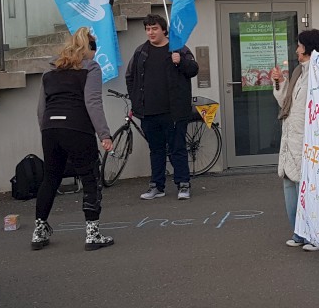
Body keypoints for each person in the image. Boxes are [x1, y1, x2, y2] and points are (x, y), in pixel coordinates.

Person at [31, 27, 114, 251]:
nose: (94, 56)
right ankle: (93, 234)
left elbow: (40, 108)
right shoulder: (91, 68)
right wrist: (104, 134)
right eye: (94, 51)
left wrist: (47, 131)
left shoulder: (50, 70)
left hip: (50, 128)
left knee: (50, 178)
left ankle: (39, 231)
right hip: (77, 127)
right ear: (89, 49)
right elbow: (92, 102)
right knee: (89, 178)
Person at [126, 14, 198, 201]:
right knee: (156, 150)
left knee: (177, 148)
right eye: (148, 29)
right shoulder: (141, 51)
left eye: (154, 28)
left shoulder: (179, 49)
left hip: (174, 111)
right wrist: (135, 101)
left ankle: (183, 184)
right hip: (148, 112)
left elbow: (193, 69)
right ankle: (157, 186)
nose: (150, 32)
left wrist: (180, 61)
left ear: (164, 30)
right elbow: (130, 77)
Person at [271, 29, 319, 251]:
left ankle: (315, 235)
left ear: (308, 48)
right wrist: (280, 82)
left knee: (308, 187)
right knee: (290, 183)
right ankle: (299, 233)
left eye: (299, 45)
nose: (296, 50)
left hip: (307, 138)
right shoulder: (299, 71)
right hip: (291, 137)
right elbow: (286, 103)